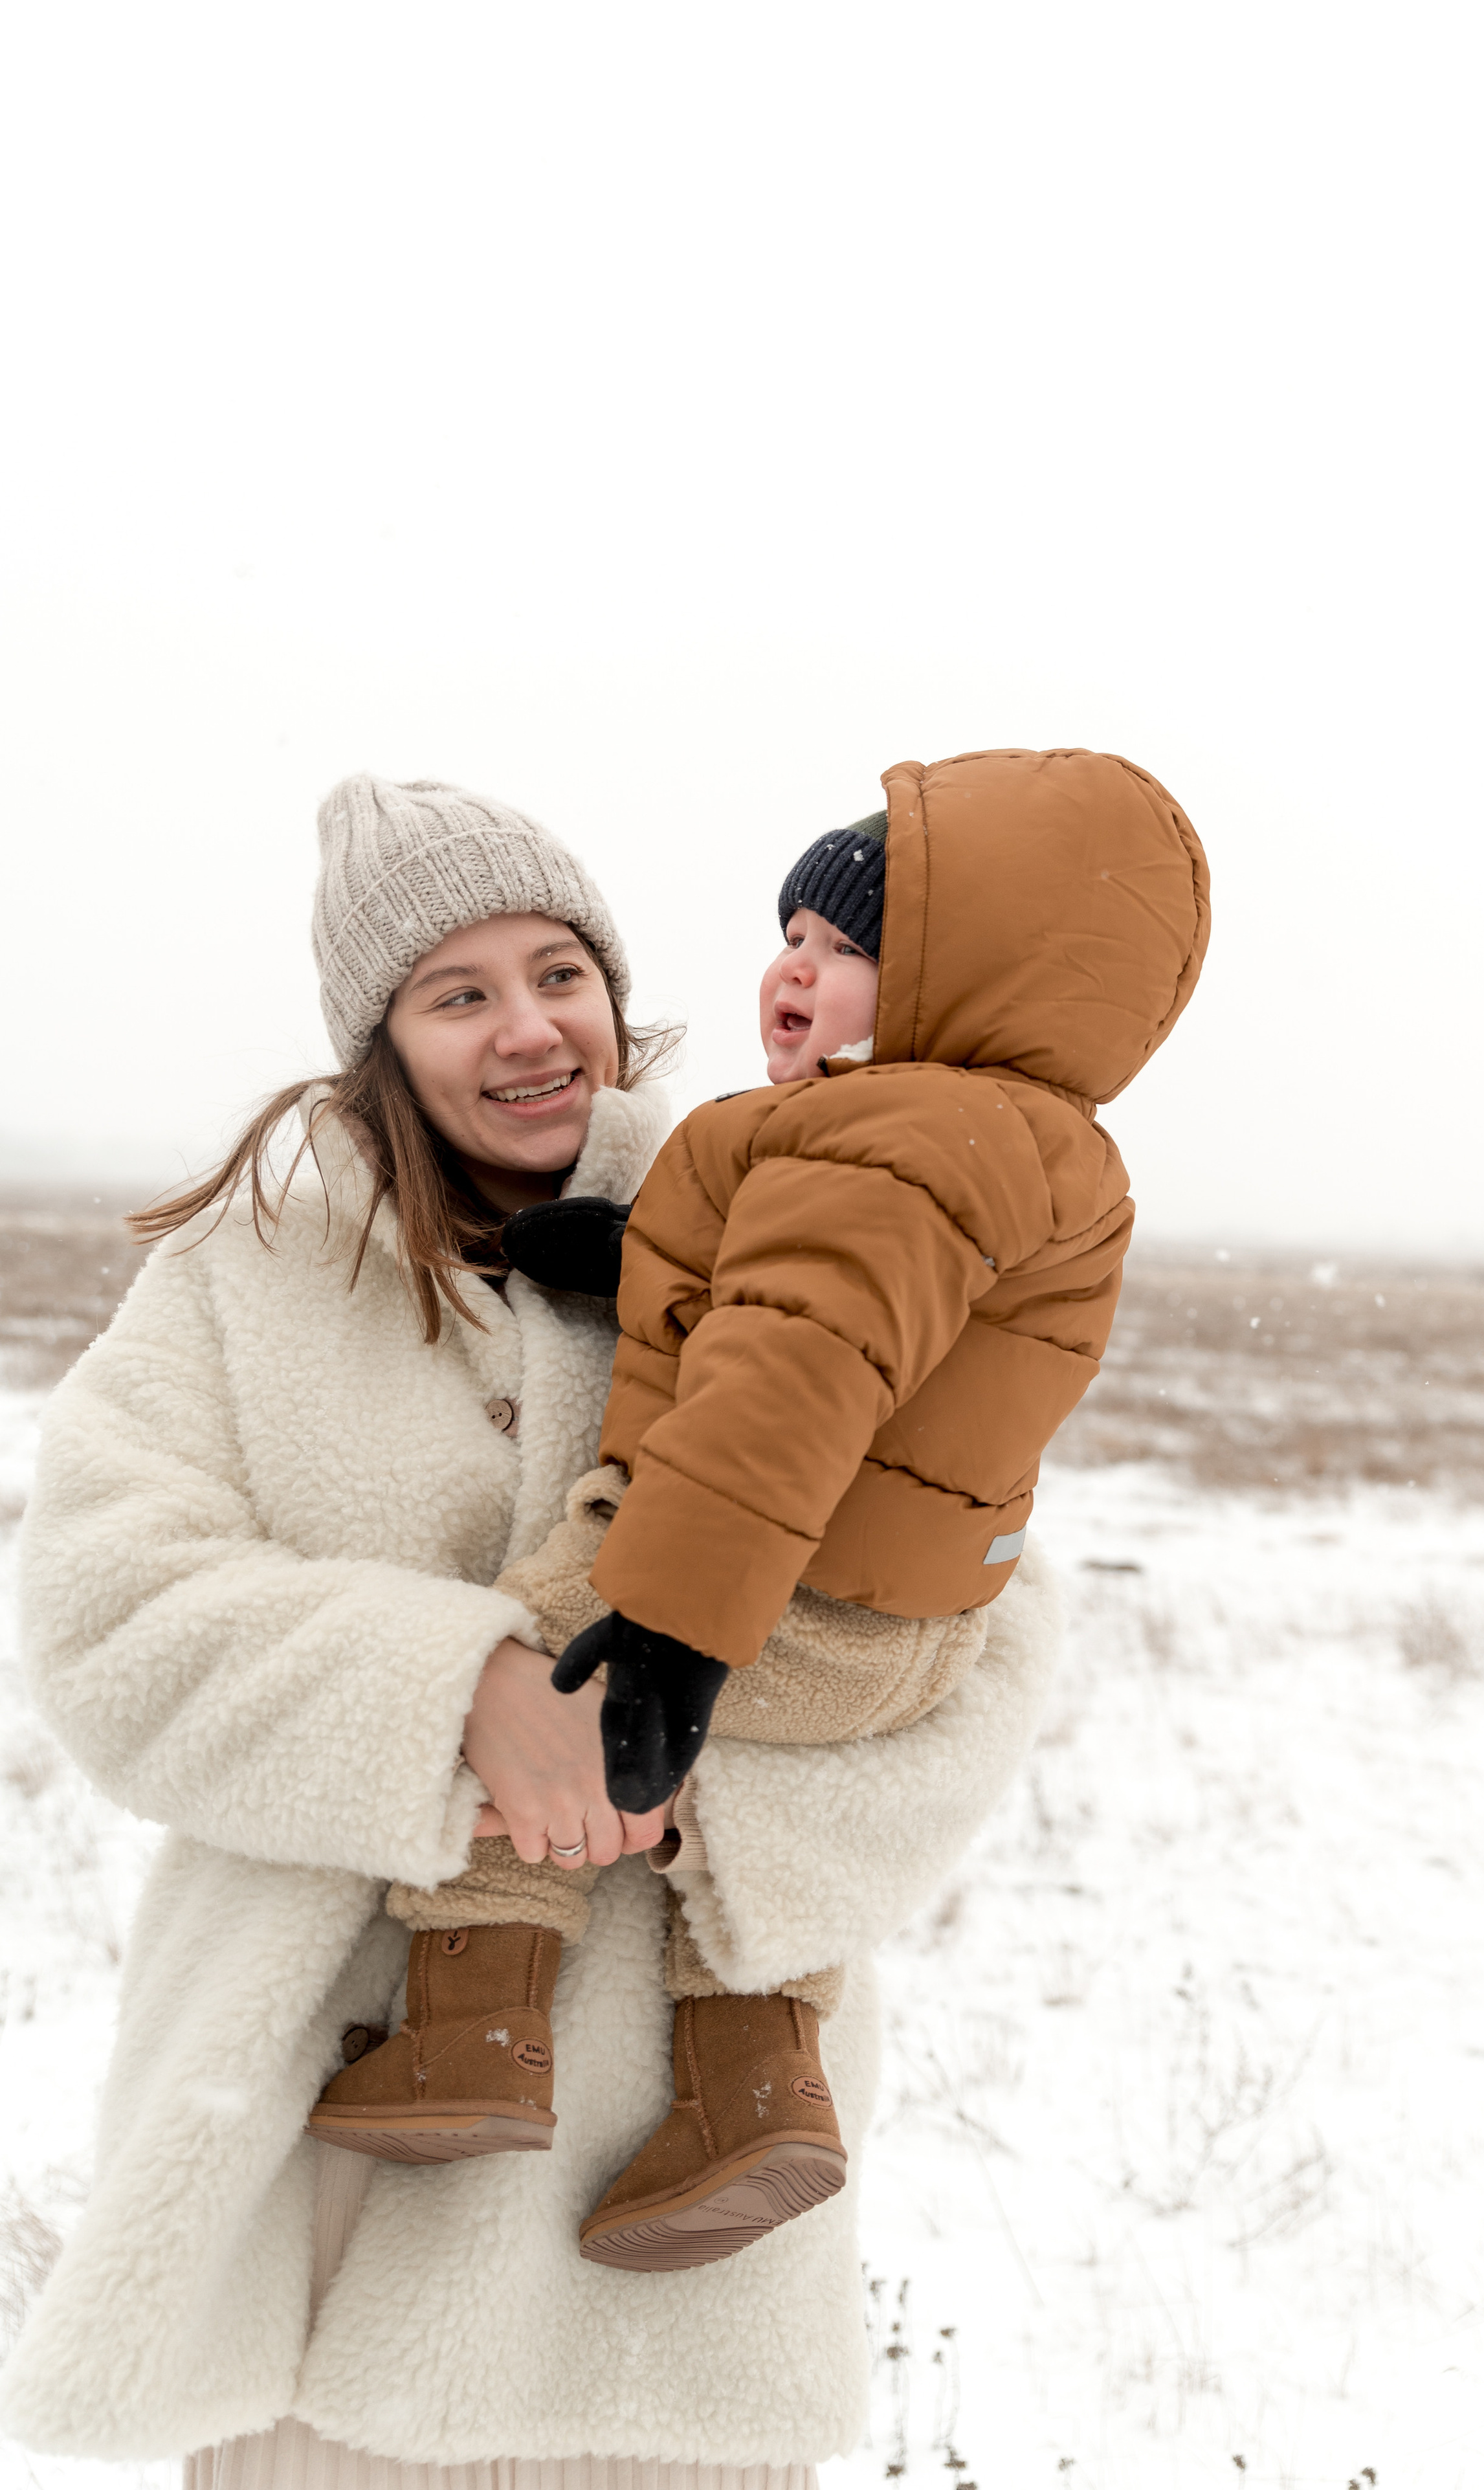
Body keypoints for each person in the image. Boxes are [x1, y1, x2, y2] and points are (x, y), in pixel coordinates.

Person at [0, 772, 1063, 2487]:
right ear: (380, 1033)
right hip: (321, 2212)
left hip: (661, 2240)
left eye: (560, 972)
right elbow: (111, 1618)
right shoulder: (245, 1272)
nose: (528, 1030)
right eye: (460, 991)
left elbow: (972, 1629)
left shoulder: (794, 1225)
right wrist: (460, 1702)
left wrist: (693, 1766)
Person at [306, 748, 1212, 2280]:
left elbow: (792, 1365)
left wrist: (669, 1624)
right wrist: (632, 1258)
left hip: (762, 1569)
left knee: (546, 1673)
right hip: (904, 1606)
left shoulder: (896, 1137)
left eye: (848, 950)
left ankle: (470, 2025)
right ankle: (754, 2091)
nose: (794, 972)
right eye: (788, 935)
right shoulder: (999, 1139)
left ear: (955, 981)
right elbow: (804, 1286)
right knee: (734, 1818)